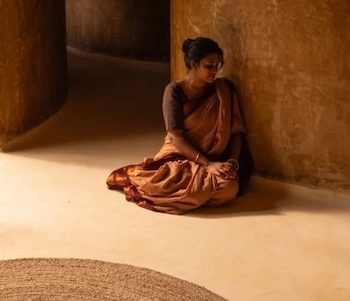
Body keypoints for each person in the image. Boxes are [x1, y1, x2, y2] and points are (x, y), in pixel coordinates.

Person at [107, 37, 253, 213]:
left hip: (214, 158)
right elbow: (176, 137)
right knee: (159, 183)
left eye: (217, 65)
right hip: (180, 153)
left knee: (229, 188)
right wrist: (207, 165)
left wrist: (232, 163)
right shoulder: (174, 91)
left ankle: (189, 193)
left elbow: (236, 132)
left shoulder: (223, 90)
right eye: (209, 66)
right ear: (194, 64)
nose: (215, 70)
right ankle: (191, 192)